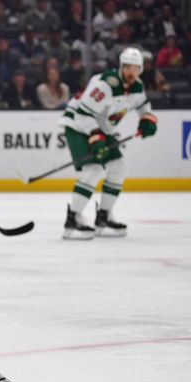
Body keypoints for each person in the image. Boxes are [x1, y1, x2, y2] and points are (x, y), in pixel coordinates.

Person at [57, 47, 157, 239]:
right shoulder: (106, 85)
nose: (131, 73)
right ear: (121, 67)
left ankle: (103, 216)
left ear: (141, 70)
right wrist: (96, 138)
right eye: (127, 68)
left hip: (101, 127)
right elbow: (83, 114)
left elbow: (143, 105)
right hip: (77, 125)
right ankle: (73, 220)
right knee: (94, 169)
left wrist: (147, 119)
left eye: (135, 69)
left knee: (119, 167)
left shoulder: (137, 86)